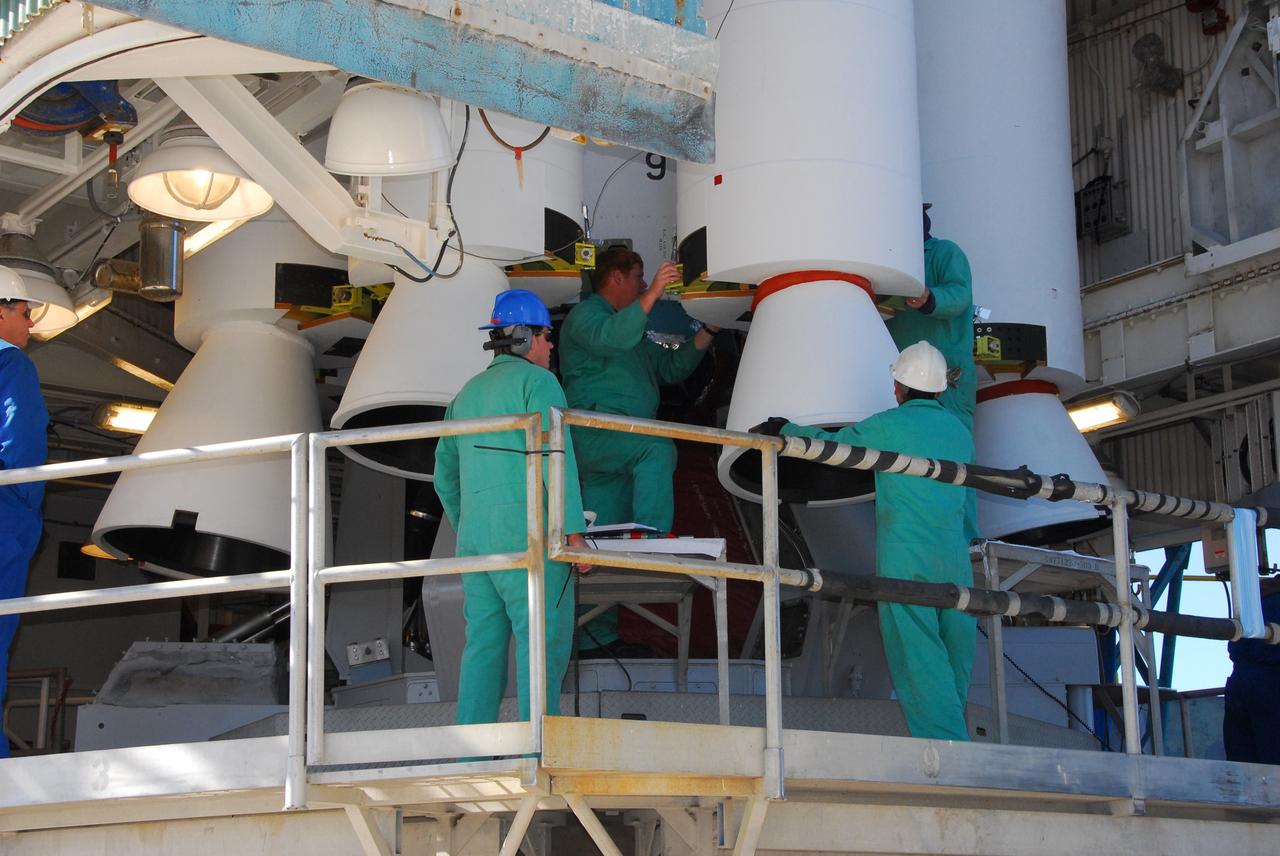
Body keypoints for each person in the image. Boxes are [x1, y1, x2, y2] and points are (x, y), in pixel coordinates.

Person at [754, 341, 975, 741]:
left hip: (908, 560)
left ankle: (950, 751)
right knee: (954, 653)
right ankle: (958, 736)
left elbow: (835, 446)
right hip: (955, 559)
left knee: (918, 657)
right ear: (942, 389)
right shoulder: (959, 431)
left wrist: (784, 431)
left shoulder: (891, 426)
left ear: (897, 387)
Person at [434, 289, 592, 725]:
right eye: (545, 335)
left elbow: (443, 474)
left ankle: (472, 752)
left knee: (483, 644)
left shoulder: (464, 395)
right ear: (525, 338)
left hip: (476, 542)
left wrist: (469, 524)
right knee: (539, 643)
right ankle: (536, 753)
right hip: (529, 535)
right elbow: (555, 457)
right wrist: (573, 532)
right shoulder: (538, 382)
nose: (551, 344)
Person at [558, 246, 717, 653]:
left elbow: (669, 368)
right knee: (657, 448)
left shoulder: (632, 330)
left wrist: (710, 330)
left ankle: (597, 640)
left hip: (616, 447)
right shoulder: (586, 317)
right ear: (616, 277)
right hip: (597, 433)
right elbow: (611, 340)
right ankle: (653, 540)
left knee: (600, 547)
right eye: (639, 276)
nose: (644, 285)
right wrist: (654, 295)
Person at [887, 203, 978, 541]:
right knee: (915, 454)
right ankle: (928, 535)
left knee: (953, 457)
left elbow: (959, 294)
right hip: (907, 376)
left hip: (946, 376)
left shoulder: (943, 253)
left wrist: (928, 298)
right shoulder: (894, 263)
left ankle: (965, 539)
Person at [0, 267, 49, 757]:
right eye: (23, 311)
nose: (30, 323)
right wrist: (22, 503)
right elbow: (22, 436)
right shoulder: (10, 364)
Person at [1223, 577, 1280, 765]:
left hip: (1241, 685)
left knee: (1245, 767)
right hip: (1270, 689)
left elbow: (1236, 647)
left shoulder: (1255, 604)